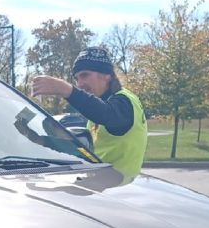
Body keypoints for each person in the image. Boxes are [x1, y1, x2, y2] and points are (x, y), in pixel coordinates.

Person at [31, 47, 147, 184]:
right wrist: (40, 140)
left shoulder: (124, 102)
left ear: (106, 75)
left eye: (85, 75)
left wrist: (66, 90)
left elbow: (105, 114)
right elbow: (85, 150)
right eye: (76, 79)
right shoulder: (102, 108)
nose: (80, 84)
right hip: (102, 187)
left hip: (117, 192)